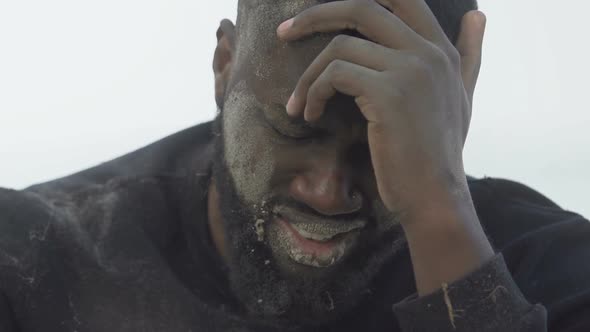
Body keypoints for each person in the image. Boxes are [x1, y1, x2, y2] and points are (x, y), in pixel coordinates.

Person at [1, 0, 589, 331]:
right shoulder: (33, 261)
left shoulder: (551, 274)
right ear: (224, 64)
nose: (329, 192)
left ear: (457, 104)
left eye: (383, 146)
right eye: (292, 129)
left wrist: (438, 211)